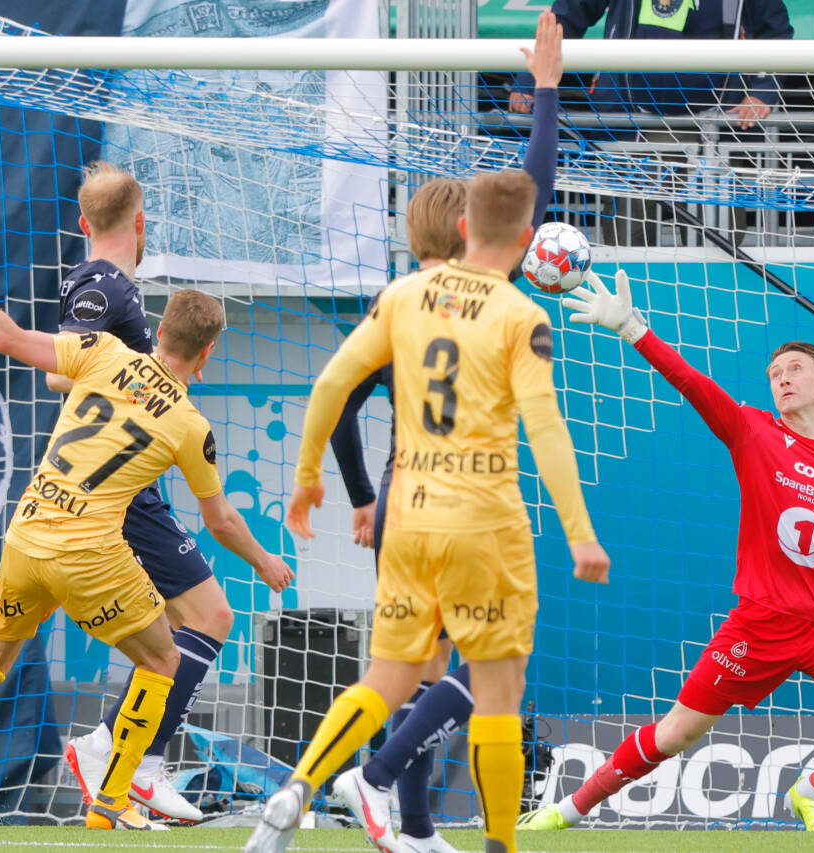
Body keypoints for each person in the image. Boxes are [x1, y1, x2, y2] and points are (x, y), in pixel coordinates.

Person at [517, 270, 814, 832]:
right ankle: (566, 810)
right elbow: (694, 384)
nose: (782, 379)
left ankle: (812, 790)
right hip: (760, 625)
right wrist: (634, 329)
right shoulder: (753, 432)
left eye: (795, 370)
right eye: (774, 373)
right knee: (677, 733)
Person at [243, 170, 611, 853]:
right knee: (497, 691)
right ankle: (498, 845)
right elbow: (547, 426)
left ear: (465, 230)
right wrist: (580, 532)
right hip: (483, 521)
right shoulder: (518, 313)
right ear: (528, 242)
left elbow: (331, 384)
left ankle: (300, 786)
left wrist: (306, 478)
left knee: (389, 677)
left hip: (405, 510)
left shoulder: (402, 294)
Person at [0, 243, 293, 830]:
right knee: (163, 660)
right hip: (89, 554)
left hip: (27, 533)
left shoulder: (101, 350)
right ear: (207, 354)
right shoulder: (189, 426)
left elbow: (5, 337)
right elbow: (220, 521)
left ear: (155, 331)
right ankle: (111, 800)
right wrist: (263, 563)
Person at [327, 13, 562, 853]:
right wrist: (545, 91)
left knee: (419, 671)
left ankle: (415, 826)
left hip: (400, 493)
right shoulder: (485, 292)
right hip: (463, 502)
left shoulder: (392, 305)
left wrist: (359, 497)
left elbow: (343, 405)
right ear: (468, 231)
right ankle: (380, 776)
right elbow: (534, 181)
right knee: (473, 674)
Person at [45, 161, 266, 824]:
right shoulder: (99, 287)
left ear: (86, 223)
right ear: (140, 224)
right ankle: (129, 758)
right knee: (213, 616)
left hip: (132, 483)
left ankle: (115, 750)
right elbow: (63, 374)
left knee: (178, 631)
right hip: (119, 491)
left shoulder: (121, 291)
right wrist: (139, 379)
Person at [508, 0, 793, 128]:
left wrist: (762, 92)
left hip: (717, 130)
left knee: (721, 240)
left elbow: (776, 34)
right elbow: (565, 18)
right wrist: (530, 81)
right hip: (627, 125)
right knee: (623, 239)